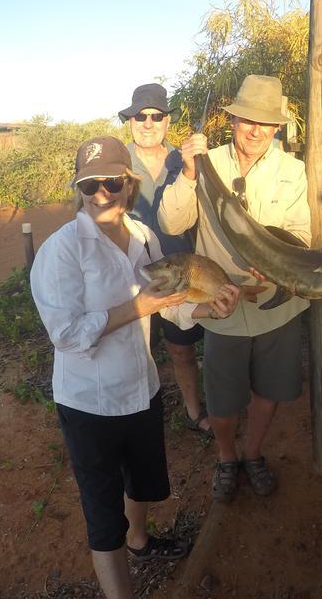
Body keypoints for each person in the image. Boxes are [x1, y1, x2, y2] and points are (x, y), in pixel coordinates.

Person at [30, 136, 240, 599]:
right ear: (79, 189)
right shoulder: (61, 251)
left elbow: (167, 304)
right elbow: (65, 334)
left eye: (111, 182)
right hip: (88, 402)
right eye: (90, 184)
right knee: (104, 514)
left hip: (140, 387)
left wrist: (207, 311)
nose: (101, 193)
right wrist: (136, 307)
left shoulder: (144, 238)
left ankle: (141, 541)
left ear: (128, 185)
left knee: (142, 482)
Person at [159, 75, 309, 502]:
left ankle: (254, 453)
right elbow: (172, 224)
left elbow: (302, 233)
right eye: (248, 120)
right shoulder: (208, 163)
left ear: (276, 128)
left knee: (268, 391)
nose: (256, 130)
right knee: (223, 402)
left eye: (266, 123)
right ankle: (227, 457)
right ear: (234, 120)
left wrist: (277, 266)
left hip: (275, 308)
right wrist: (188, 172)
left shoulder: (292, 171)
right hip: (219, 305)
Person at [119, 83, 208, 433]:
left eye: (156, 116)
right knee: (136, 349)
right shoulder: (118, 161)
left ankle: (192, 411)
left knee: (182, 348)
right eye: (140, 116)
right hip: (129, 275)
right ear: (130, 121)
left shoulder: (183, 159)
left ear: (167, 121)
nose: (148, 122)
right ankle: (136, 415)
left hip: (177, 271)